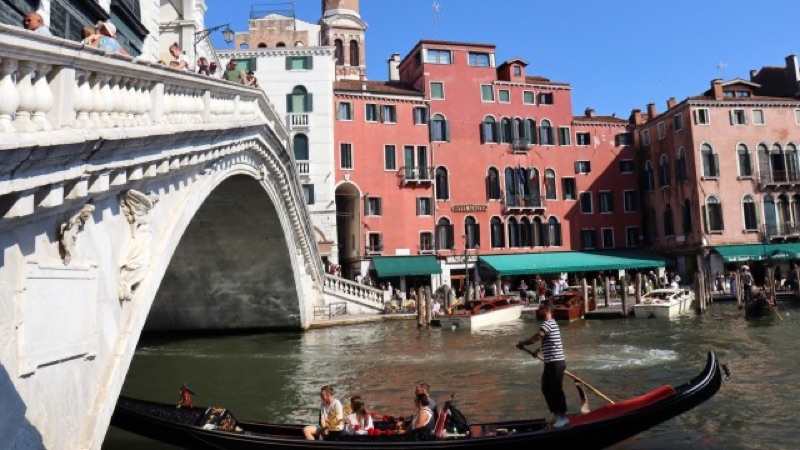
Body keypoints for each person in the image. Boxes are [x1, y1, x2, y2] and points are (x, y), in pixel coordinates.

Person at [516, 302, 569, 428]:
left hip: (556, 362)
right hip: (552, 362)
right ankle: (556, 415)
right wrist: (538, 351)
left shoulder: (548, 324)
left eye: (540, 309)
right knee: (546, 388)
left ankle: (562, 417)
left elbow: (538, 336)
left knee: (556, 389)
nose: (538, 311)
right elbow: (548, 341)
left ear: (546, 310)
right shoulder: (552, 324)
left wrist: (523, 343)